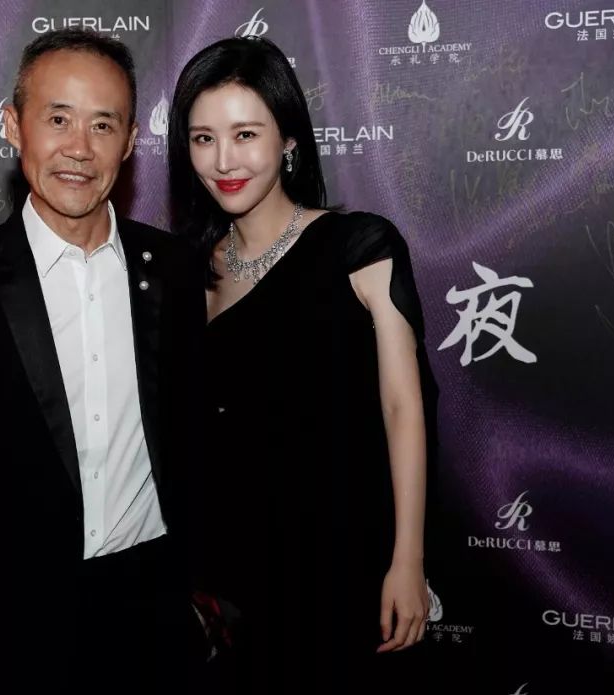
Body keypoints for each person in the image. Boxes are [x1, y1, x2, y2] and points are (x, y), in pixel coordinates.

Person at [0, 29, 207, 695]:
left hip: (155, 617)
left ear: (131, 141)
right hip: (19, 624)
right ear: (14, 126)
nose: (80, 148)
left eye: (103, 124)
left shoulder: (176, 270)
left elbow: (194, 437)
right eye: (58, 118)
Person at [168, 37, 440, 692]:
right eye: (203, 138)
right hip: (230, 578)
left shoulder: (360, 246)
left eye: (245, 134)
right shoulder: (186, 273)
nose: (224, 160)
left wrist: (408, 559)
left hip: (344, 557)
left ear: (288, 139)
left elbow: (404, 408)